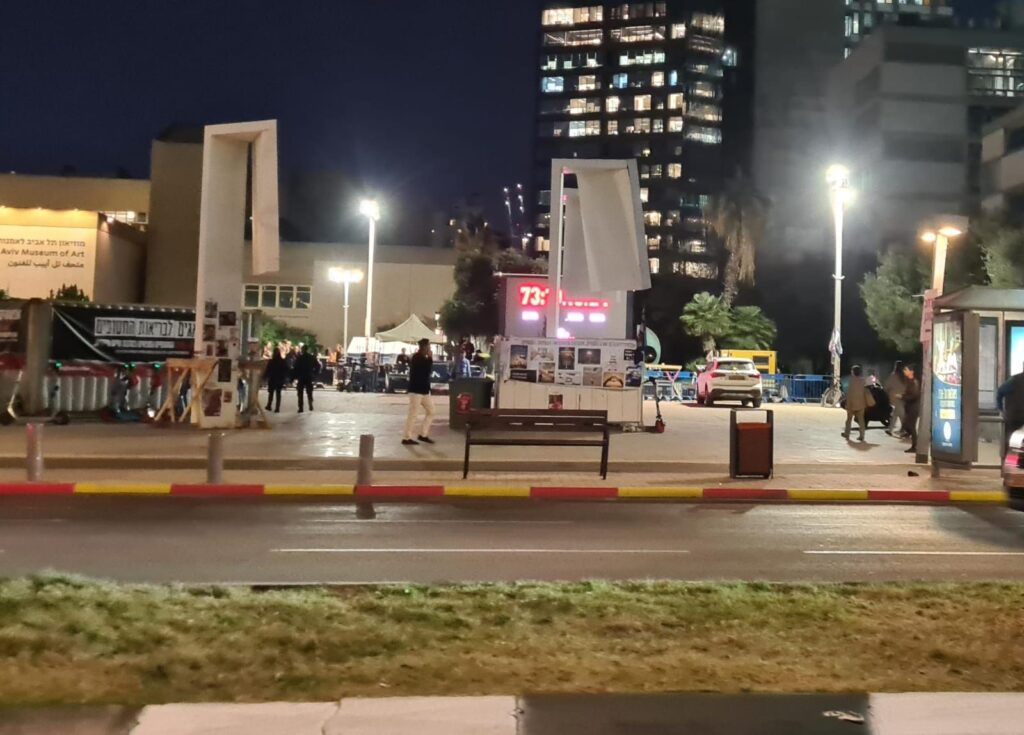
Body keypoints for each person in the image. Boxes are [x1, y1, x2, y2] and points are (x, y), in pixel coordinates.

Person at [402, 338, 435, 445]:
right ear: (423, 347)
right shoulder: (417, 358)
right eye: (428, 347)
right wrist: (430, 358)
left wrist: (429, 358)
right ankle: (406, 437)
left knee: (431, 411)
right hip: (416, 391)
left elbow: (427, 372)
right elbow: (427, 370)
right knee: (413, 414)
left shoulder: (423, 358)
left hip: (424, 391)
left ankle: (423, 434)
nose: (429, 349)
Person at [997, 364, 1024, 458]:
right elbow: (1000, 392)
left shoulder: (1014, 380)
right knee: (1013, 443)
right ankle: (1012, 466)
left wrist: (1001, 409)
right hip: (1015, 418)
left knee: (1012, 443)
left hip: (1013, 416)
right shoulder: (1015, 380)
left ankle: (1011, 466)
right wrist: (1001, 409)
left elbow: (1000, 392)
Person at [842, 365, 871, 442]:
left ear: (853, 372)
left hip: (852, 404)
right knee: (861, 420)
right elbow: (866, 392)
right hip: (861, 404)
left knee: (849, 419)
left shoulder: (851, 381)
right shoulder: (863, 380)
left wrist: (847, 404)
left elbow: (849, 393)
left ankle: (847, 433)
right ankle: (862, 435)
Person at [293, 344, 319, 413]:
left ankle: (301, 407)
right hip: (309, 376)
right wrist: (314, 373)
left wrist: (295, 376)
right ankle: (310, 403)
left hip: (301, 377)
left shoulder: (299, 358)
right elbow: (318, 366)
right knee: (309, 391)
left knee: (300, 393)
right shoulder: (311, 357)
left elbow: (295, 367)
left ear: (302, 350)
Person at [902, 364, 921, 454]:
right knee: (908, 425)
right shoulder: (910, 381)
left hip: (914, 407)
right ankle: (914, 444)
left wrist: (903, 396)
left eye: (906, 370)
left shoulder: (914, 382)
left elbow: (914, 395)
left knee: (911, 426)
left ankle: (915, 446)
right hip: (910, 407)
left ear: (911, 372)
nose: (904, 371)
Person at [884, 360, 906, 437]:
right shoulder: (904, 376)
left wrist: (886, 391)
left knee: (900, 415)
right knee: (896, 414)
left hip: (895, 397)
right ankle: (890, 430)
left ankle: (906, 430)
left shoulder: (893, 375)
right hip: (903, 397)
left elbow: (887, 386)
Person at [264, 348, 287, 413]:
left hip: (272, 379)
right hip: (279, 379)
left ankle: (269, 405)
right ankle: (277, 408)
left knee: (271, 393)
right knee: (278, 394)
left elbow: (268, 371)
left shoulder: (271, 361)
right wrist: (284, 379)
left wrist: (265, 377)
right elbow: (285, 370)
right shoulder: (282, 361)